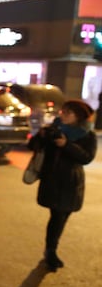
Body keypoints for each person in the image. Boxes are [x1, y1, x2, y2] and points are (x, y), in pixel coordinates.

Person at [27, 99, 96, 271]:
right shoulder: (53, 129)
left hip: (71, 181)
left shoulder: (87, 135)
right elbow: (32, 146)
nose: (63, 115)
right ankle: (51, 251)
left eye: (68, 113)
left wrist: (66, 145)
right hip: (52, 179)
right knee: (57, 215)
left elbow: (86, 158)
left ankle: (51, 249)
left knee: (62, 215)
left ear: (78, 116)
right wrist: (40, 136)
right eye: (62, 111)